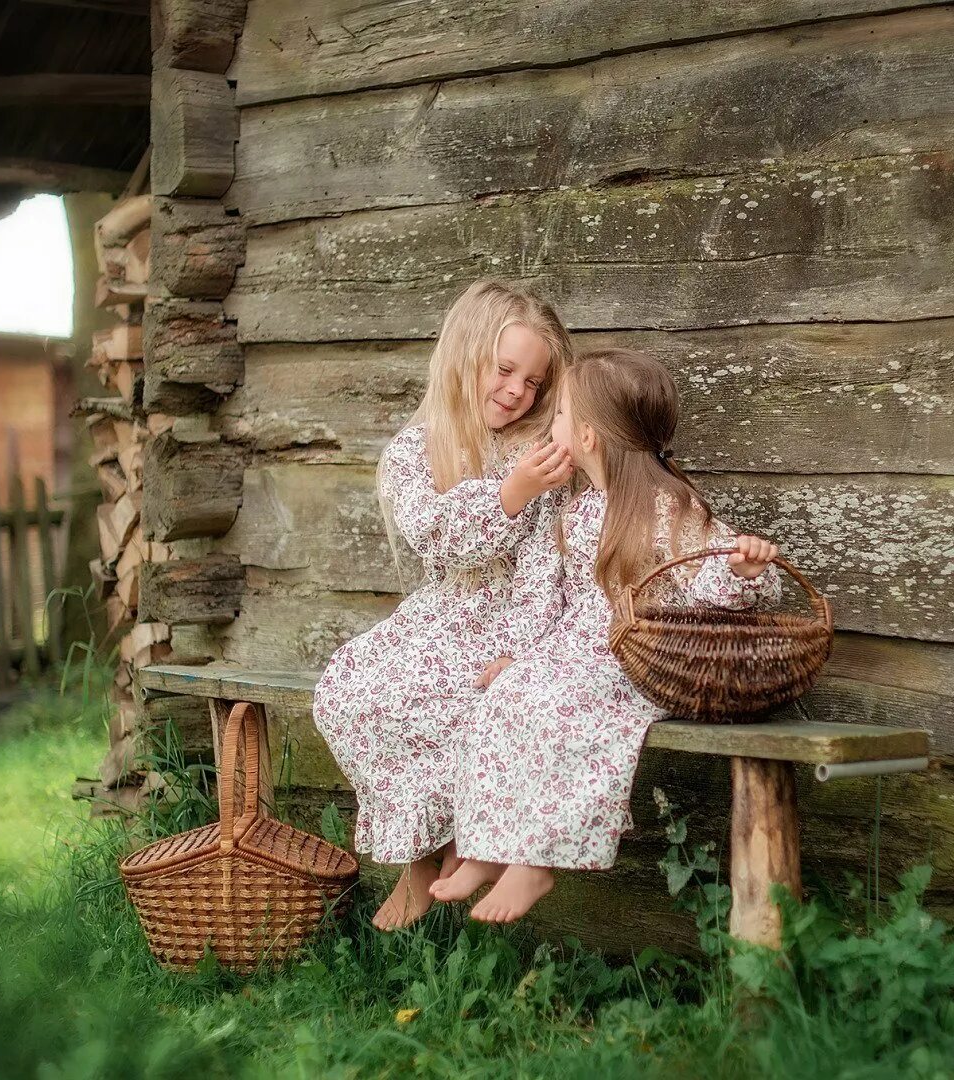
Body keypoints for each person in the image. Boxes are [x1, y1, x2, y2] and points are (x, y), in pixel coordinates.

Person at [434, 347, 784, 922]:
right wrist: (517, 656)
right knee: (504, 696)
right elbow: (551, 601)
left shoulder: (669, 507)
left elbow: (708, 582)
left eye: (564, 414)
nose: (554, 423)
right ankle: (485, 846)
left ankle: (534, 862)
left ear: (589, 436)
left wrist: (743, 569)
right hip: (576, 654)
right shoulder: (577, 509)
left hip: (639, 660)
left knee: (558, 702)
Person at [312, 279, 575, 930]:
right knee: (347, 692)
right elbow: (436, 535)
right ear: (464, 357)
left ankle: (451, 852)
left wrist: (524, 651)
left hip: (512, 623)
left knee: (467, 704)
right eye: (506, 370)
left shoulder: (540, 453)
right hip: (443, 615)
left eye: (534, 383)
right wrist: (506, 494)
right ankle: (424, 859)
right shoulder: (419, 447)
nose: (517, 391)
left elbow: (548, 564)